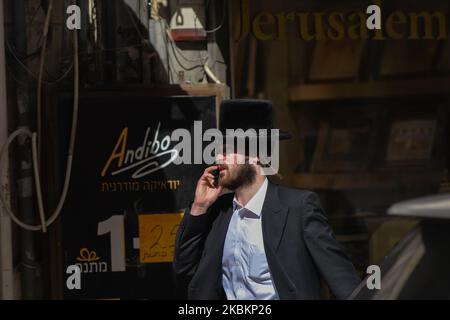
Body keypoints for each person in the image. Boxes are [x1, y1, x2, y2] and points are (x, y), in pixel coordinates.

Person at [173, 99, 361, 300]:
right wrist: (199, 207)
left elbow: (342, 280)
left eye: (227, 150)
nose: (219, 158)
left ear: (257, 155)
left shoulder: (298, 208)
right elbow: (184, 269)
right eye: (218, 151)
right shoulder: (218, 212)